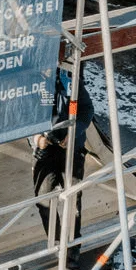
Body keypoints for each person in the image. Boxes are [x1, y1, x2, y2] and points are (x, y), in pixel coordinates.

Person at [33, 67, 100, 236]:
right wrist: (37, 140)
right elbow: (24, 116)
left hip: (73, 149)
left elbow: (86, 109)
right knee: (43, 200)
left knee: (73, 200)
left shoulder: (69, 80)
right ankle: (56, 242)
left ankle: (72, 249)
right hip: (45, 151)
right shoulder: (32, 84)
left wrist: (73, 132)